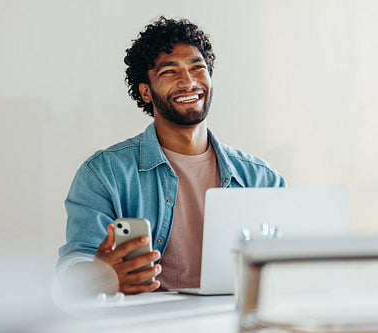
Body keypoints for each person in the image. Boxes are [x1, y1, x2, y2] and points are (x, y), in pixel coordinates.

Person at [57, 17, 286, 295]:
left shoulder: (262, 178)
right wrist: (101, 276)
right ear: (146, 91)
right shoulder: (104, 174)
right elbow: (74, 264)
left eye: (197, 67)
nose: (188, 82)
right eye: (170, 71)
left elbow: (287, 265)